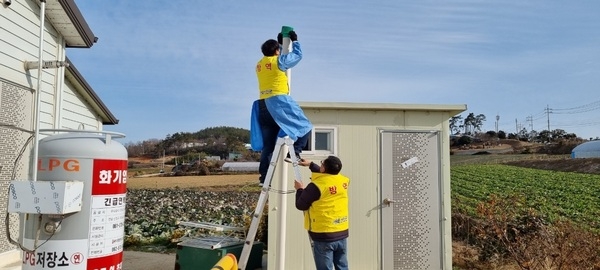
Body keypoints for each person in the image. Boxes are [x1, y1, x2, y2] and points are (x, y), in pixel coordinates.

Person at [250, 30, 312, 186]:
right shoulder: (279, 61)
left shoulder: (259, 64)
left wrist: (281, 44)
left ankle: (264, 179)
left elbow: (274, 58)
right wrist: (295, 41)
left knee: (269, 145)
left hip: (263, 105)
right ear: (277, 51)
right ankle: (295, 153)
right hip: (279, 101)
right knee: (305, 126)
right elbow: (296, 57)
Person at [294, 156, 350, 270]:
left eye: (322, 164)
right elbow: (328, 177)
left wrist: (299, 189)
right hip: (341, 232)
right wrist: (311, 165)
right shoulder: (344, 180)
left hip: (324, 234)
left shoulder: (316, 186)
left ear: (324, 169)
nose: (321, 165)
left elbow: (301, 205)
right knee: (342, 267)